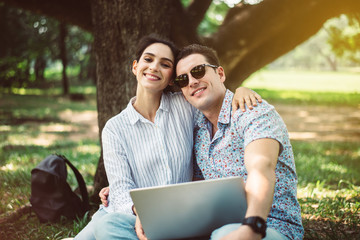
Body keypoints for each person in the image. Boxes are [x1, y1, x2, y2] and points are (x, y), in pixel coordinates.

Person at [74, 34, 261, 240]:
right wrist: (139, 211)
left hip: (178, 215)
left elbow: (215, 99)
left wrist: (240, 91)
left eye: (165, 64)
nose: (154, 67)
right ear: (135, 67)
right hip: (128, 214)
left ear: (172, 78)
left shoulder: (186, 105)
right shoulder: (114, 128)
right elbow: (121, 192)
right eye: (148, 59)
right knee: (100, 227)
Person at [174, 44, 304, 240]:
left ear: (220, 74)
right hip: (216, 226)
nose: (192, 81)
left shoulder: (254, 112)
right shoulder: (197, 130)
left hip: (269, 226)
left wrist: (252, 227)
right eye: (183, 80)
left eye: (198, 71)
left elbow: (261, 167)